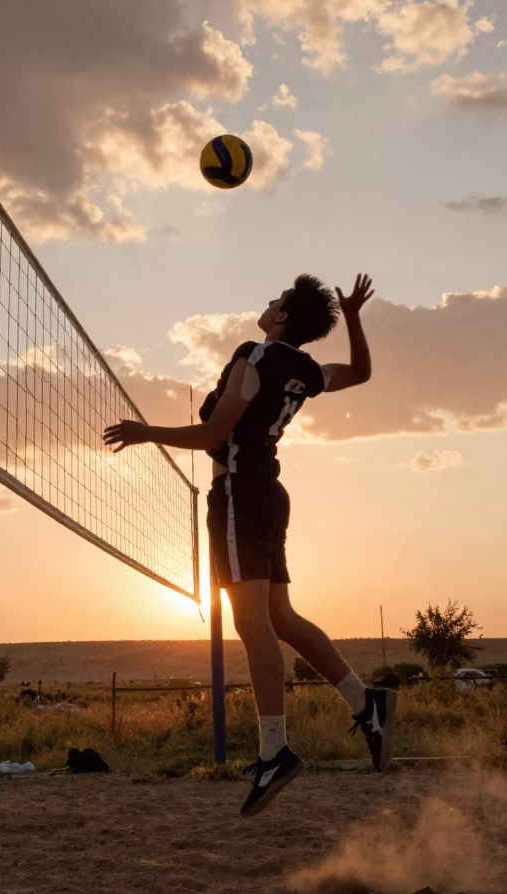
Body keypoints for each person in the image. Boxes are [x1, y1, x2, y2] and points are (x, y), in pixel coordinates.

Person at [104, 273, 396, 817]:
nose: (266, 303)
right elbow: (360, 373)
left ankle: (274, 751)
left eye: (275, 300)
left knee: (253, 624)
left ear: (282, 316)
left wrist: (148, 433)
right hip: (269, 494)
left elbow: (213, 436)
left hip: (239, 494)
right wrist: (352, 315)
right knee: (281, 617)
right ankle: (366, 703)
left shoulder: (256, 355)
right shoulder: (304, 370)